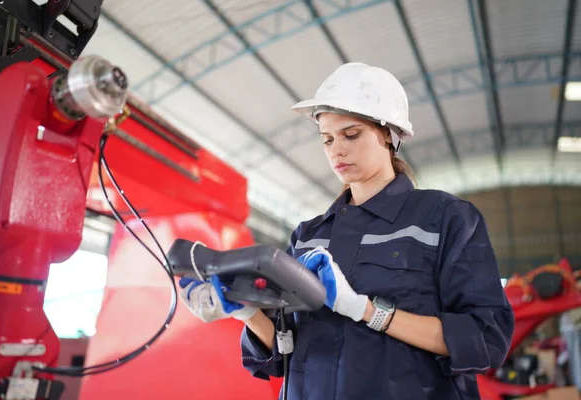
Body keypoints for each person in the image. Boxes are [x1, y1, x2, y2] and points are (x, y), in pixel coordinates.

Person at [178, 62, 515, 399]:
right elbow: (284, 354)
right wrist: (247, 312)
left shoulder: (444, 219)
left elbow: (485, 339)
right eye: (327, 139)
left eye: (351, 134)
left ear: (388, 133)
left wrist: (367, 311)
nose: (336, 150)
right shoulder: (309, 235)